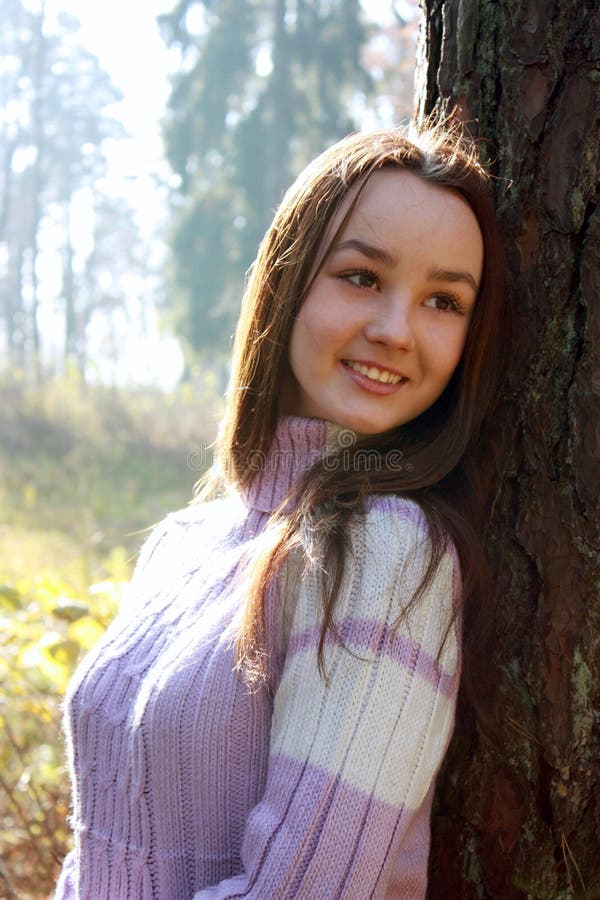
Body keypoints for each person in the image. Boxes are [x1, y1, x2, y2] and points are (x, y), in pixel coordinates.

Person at [55, 121, 505, 899]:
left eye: (443, 300)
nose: (395, 331)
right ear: (289, 280)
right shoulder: (183, 543)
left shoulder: (388, 554)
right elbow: (96, 858)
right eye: (362, 277)